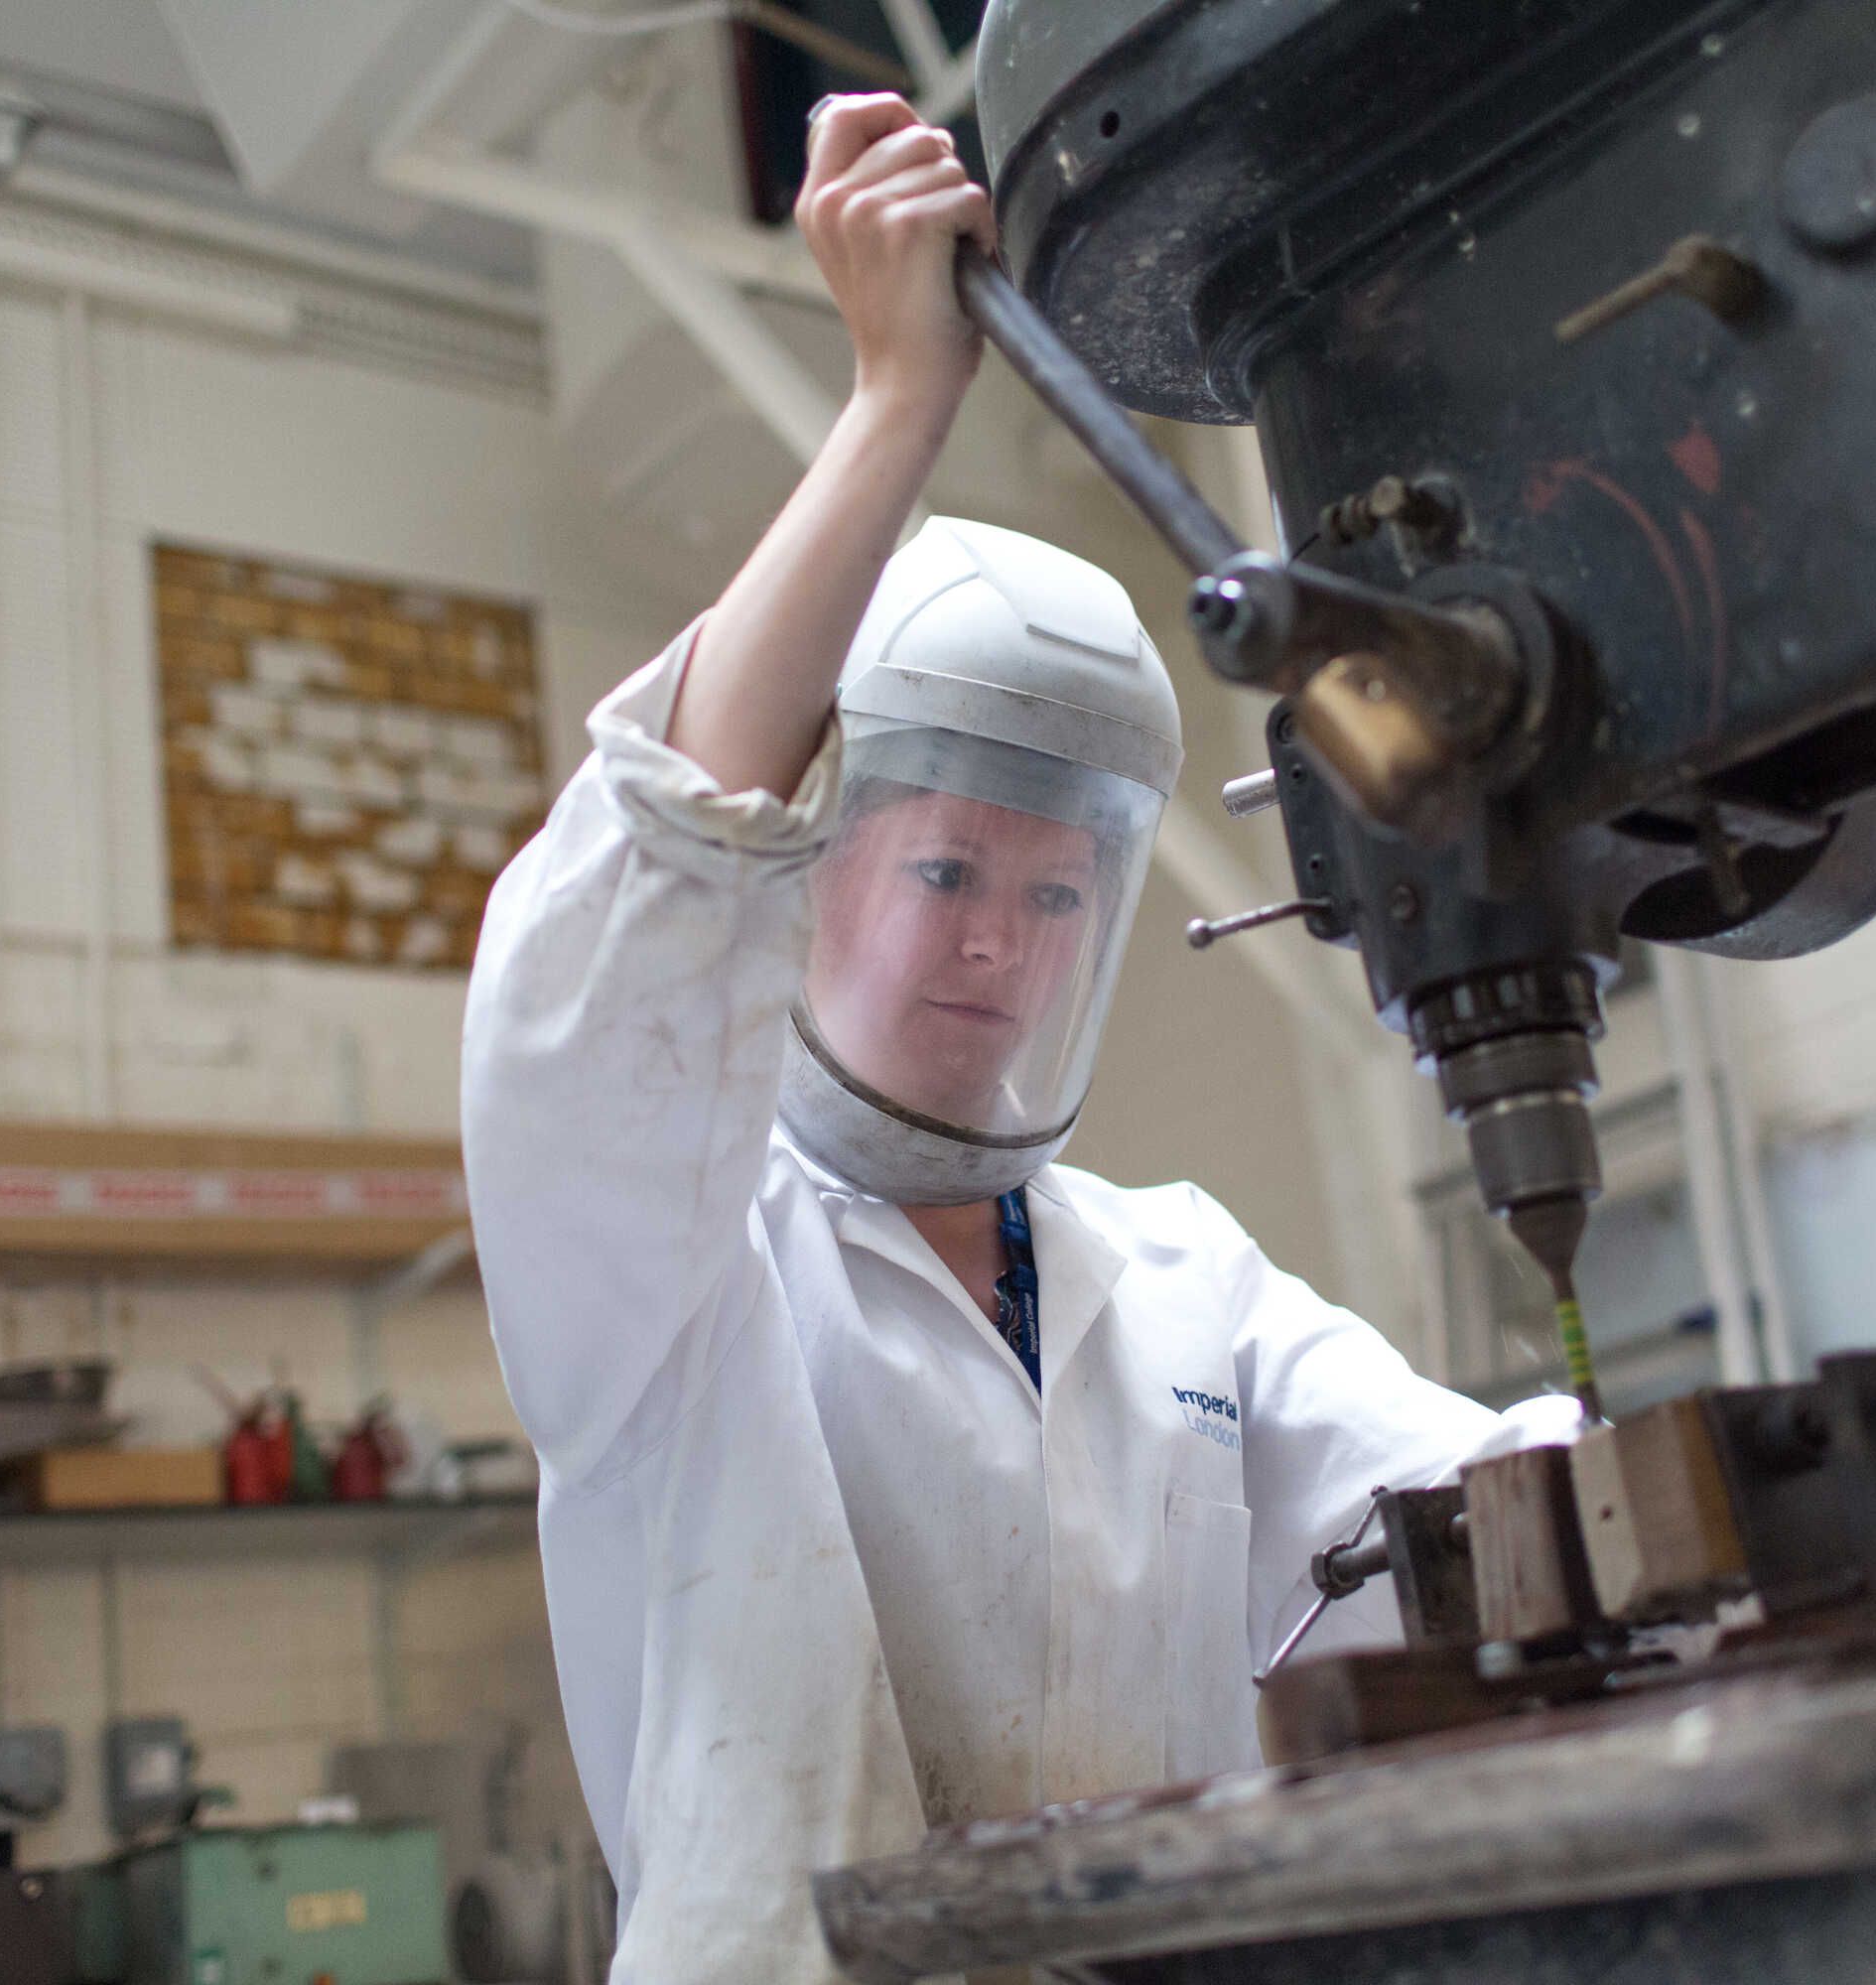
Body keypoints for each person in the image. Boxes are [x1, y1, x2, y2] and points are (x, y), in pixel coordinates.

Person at [460, 92, 1574, 1983]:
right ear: (810, 867)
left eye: (1059, 896)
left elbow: (1485, 1511)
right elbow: (641, 895)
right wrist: (899, 401)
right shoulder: (669, 1266)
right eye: (950, 871)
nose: (1001, 948)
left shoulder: (1182, 1282)